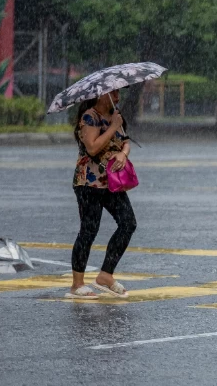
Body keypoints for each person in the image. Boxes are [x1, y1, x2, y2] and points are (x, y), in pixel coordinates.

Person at [65, 89, 136, 299]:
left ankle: (106, 275)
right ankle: (77, 284)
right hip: (89, 181)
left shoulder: (116, 115)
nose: (117, 98)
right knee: (89, 229)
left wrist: (123, 153)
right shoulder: (90, 117)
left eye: (118, 93)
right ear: (101, 95)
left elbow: (126, 141)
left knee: (128, 223)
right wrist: (113, 126)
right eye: (113, 94)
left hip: (111, 182)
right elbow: (93, 147)